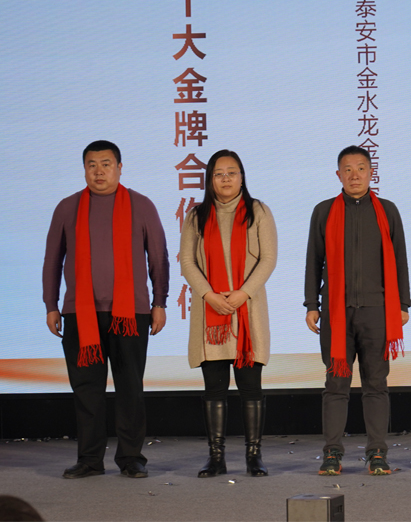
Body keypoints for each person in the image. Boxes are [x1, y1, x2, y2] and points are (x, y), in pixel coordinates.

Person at [43, 140, 169, 479]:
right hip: (79, 313)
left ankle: (131, 458)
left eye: (106, 164)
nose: (99, 171)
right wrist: (51, 305)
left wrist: (159, 303)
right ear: (84, 169)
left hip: (131, 314)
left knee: (130, 388)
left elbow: (158, 258)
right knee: (87, 390)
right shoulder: (67, 207)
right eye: (92, 165)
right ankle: (89, 459)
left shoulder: (141, 205)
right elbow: (53, 259)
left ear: (119, 168)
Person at [304, 145, 411, 476]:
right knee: (336, 385)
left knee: (376, 384)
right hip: (336, 312)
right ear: (338, 175)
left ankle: (377, 452)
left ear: (371, 172)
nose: (354, 175)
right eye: (347, 170)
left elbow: (399, 259)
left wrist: (403, 304)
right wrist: (312, 304)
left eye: (361, 168)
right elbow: (313, 261)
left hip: (377, 311)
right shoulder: (324, 211)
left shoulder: (387, 210)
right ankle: (332, 453)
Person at [180, 149, 277, 478]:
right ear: (210, 179)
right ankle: (216, 457)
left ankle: (254, 456)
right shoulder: (196, 216)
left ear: (242, 177)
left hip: (247, 310)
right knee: (214, 389)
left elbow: (268, 259)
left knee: (250, 387)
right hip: (210, 313)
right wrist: (209, 294)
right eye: (219, 173)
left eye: (231, 172)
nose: (225, 179)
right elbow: (187, 262)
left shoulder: (258, 211)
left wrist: (241, 294)